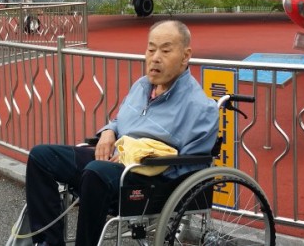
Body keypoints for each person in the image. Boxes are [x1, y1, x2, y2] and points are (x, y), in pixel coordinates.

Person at [24, 20, 219, 246]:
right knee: (41, 157)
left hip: (147, 179)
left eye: (165, 51)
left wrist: (138, 159)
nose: (155, 57)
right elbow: (120, 120)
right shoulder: (142, 86)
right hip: (112, 160)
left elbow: (191, 167)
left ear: (185, 56)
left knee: (96, 172)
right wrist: (109, 131)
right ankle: (48, 243)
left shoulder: (200, 107)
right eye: (151, 49)